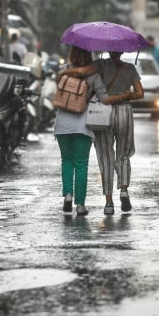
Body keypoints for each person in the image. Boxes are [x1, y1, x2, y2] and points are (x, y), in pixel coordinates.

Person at [60, 50, 144, 215]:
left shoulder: (99, 65)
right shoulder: (130, 68)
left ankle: (109, 203)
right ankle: (124, 190)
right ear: (121, 51)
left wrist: (64, 71)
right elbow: (140, 93)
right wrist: (127, 94)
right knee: (124, 154)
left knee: (105, 157)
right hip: (124, 112)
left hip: (102, 113)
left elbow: (81, 72)